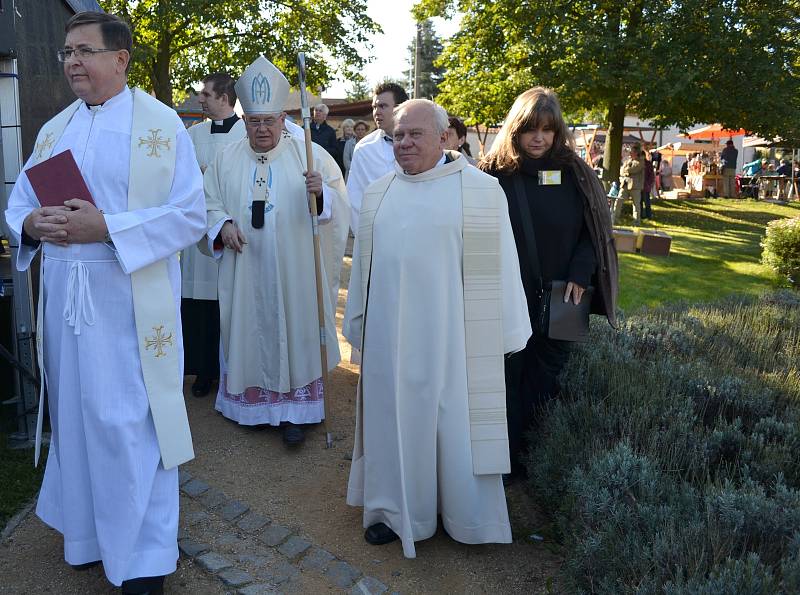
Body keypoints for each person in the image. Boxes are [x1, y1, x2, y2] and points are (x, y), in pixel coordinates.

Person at [4, 12, 205, 594]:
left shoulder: (161, 125)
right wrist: (32, 224)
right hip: (67, 300)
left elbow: (190, 214)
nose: (71, 61)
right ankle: (87, 535)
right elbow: (18, 205)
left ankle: (142, 556)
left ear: (120, 60)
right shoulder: (53, 130)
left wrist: (109, 228)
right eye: (67, 50)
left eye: (84, 50)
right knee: (77, 416)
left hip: (129, 302)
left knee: (127, 423)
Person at [344, 99, 531, 558]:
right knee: (393, 421)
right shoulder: (379, 193)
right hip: (392, 340)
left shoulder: (480, 191)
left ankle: (464, 516)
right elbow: (363, 273)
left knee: (456, 426)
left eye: (416, 135)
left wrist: (502, 335)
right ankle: (392, 511)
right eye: (398, 136)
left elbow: (502, 268)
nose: (404, 143)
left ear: (445, 137)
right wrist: (360, 323)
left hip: (455, 340)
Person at [202, 56, 343, 445]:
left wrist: (322, 195)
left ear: (283, 119)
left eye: (269, 120)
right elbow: (207, 202)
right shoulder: (224, 158)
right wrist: (223, 225)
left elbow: (339, 207)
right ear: (244, 121)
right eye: (254, 121)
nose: (262, 129)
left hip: (294, 269)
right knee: (247, 328)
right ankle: (255, 407)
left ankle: (296, 412)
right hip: (244, 267)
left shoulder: (309, 155)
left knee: (295, 329)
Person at [479, 86, 618, 481]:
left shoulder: (575, 174)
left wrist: (580, 271)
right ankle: (504, 462)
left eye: (547, 129)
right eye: (529, 129)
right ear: (515, 130)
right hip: (510, 296)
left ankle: (532, 457)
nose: (538, 138)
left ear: (558, 132)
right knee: (509, 377)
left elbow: (594, 234)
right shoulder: (494, 175)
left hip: (565, 296)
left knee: (545, 380)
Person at [182, 72, 245, 398]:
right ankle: (204, 371)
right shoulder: (194, 134)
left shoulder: (247, 133)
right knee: (201, 308)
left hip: (232, 228)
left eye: (206, 94)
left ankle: (234, 371)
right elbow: (182, 176)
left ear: (224, 97)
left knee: (232, 305)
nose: (200, 99)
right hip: (199, 232)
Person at [346, 81, 409, 233]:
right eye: (374, 107)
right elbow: (355, 199)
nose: (376, 112)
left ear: (400, 108)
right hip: (378, 235)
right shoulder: (364, 149)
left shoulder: (422, 144)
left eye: (383, 106)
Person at [614, 145, 645, 224]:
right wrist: (625, 171)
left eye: (632, 152)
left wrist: (626, 170)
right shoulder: (627, 160)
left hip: (635, 186)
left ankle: (636, 221)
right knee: (618, 201)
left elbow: (634, 169)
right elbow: (621, 170)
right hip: (625, 184)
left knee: (636, 205)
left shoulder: (641, 161)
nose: (630, 153)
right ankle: (614, 218)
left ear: (636, 153)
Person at [641, 148, 655, 219]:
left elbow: (651, 175)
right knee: (640, 202)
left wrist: (649, 184)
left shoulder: (648, 164)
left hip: (646, 186)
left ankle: (648, 215)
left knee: (647, 202)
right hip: (640, 185)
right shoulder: (639, 163)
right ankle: (641, 215)